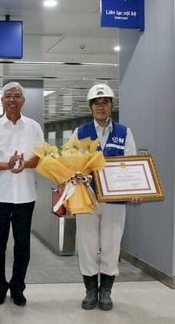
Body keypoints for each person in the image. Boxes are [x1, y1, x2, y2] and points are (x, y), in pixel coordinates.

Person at [69, 83, 141, 311]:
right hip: (87, 199)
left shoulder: (124, 132)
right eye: (96, 103)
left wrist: (136, 190)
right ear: (90, 107)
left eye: (105, 102)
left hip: (115, 201)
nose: (101, 106)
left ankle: (106, 292)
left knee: (111, 245)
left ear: (112, 105)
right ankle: (90, 291)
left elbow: (132, 164)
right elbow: (68, 164)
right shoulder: (80, 133)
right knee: (88, 245)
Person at [0, 82, 44, 307]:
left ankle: (18, 288)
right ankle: (0, 287)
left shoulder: (34, 127)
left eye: (17, 96)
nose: (12, 99)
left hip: (26, 195)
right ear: (2, 100)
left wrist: (24, 163)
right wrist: (7, 165)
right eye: (8, 96)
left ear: (23, 101)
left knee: (23, 245)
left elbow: (40, 157)